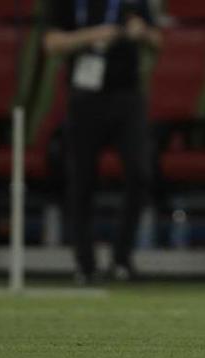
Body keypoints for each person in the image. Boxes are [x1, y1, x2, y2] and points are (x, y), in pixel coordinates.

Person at [44, 0, 161, 284]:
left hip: (127, 96)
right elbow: (51, 43)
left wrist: (141, 33)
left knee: (139, 174)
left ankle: (121, 259)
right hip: (84, 97)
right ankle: (85, 264)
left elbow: (158, 40)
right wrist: (94, 35)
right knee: (81, 179)